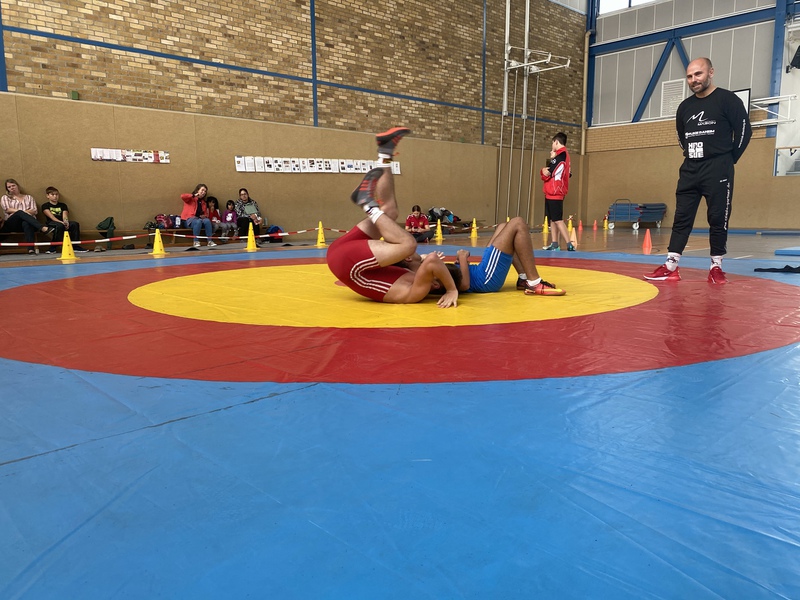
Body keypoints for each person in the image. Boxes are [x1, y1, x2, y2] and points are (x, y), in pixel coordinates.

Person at [645, 57, 752, 284]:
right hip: (690, 168)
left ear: (711, 72)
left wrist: (729, 158)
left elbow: (744, 132)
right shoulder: (685, 107)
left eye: (698, 74)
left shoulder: (727, 100)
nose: (693, 80)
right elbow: (681, 137)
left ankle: (716, 266)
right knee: (682, 217)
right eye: (689, 76)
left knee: (718, 217)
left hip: (718, 168)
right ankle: (671, 265)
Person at [327, 127, 460, 308]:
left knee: (409, 245)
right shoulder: (413, 272)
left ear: (435, 284)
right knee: (389, 212)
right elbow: (427, 261)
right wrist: (421, 259)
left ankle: (367, 204)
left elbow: (432, 261)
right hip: (346, 253)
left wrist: (452, 289)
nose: (420, 260)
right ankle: (385, 152)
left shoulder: (415, 292)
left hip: (345, 263)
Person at [450, 216, 566, 296]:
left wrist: (460, 266)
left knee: (503, 226)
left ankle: (523, 278)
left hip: (482, 271)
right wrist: (462, 257)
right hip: (486, 278)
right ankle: (534, 283)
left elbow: (458, 279)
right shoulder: (438, 273)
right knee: (518, 223)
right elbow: (465, 285)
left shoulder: (439, 271)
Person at [0, 178, 56, 254]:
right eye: (9, 187)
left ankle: (31, 249)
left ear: (17, 186)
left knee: (26, 223)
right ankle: (42, 228)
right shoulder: (5, 198)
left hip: (27, 223)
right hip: (12, 224)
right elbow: (8, 209)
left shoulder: (29, 198)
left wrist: (20, 212)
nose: (12, 188)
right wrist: (22, 212)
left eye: (13, 185)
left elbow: (34, 211)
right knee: (19, 213)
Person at [540, 132, 573, 252]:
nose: (552, 146)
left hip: (555, 192)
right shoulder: (564, 156)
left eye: (552, 143)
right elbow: (569, 173)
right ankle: (555, 243)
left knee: (558, 219)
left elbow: (548, 173)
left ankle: (569, 244)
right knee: (553, 220)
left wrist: (542, 170)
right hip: (552, 192)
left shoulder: (560, 156)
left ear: (556, 142)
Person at [41, 187, 88, 253]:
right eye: (52, 195)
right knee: (59, 226)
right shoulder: (45, 205)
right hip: (51, 223)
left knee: (74, 224)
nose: (55, 196)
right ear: (47, 196)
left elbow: (65, 215)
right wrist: (61, 222)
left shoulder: (63, 205)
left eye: (56, 194)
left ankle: (75, 246)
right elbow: (51, 217)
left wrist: (66, 222)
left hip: (62, 222)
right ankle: (53, 247)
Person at [180, 183, 216, 248]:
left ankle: (210, 241)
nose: (204, 192)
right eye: (202, 190)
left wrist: (204, 216)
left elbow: (205, 214)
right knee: (198, 221)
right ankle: (196, 241)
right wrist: (194, 195)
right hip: (188, 220)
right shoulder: (191, 199)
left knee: (207, 221)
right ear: (197, 190)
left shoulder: (203, 203)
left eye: (205, 191)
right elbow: (182, 196)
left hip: (199, 219)